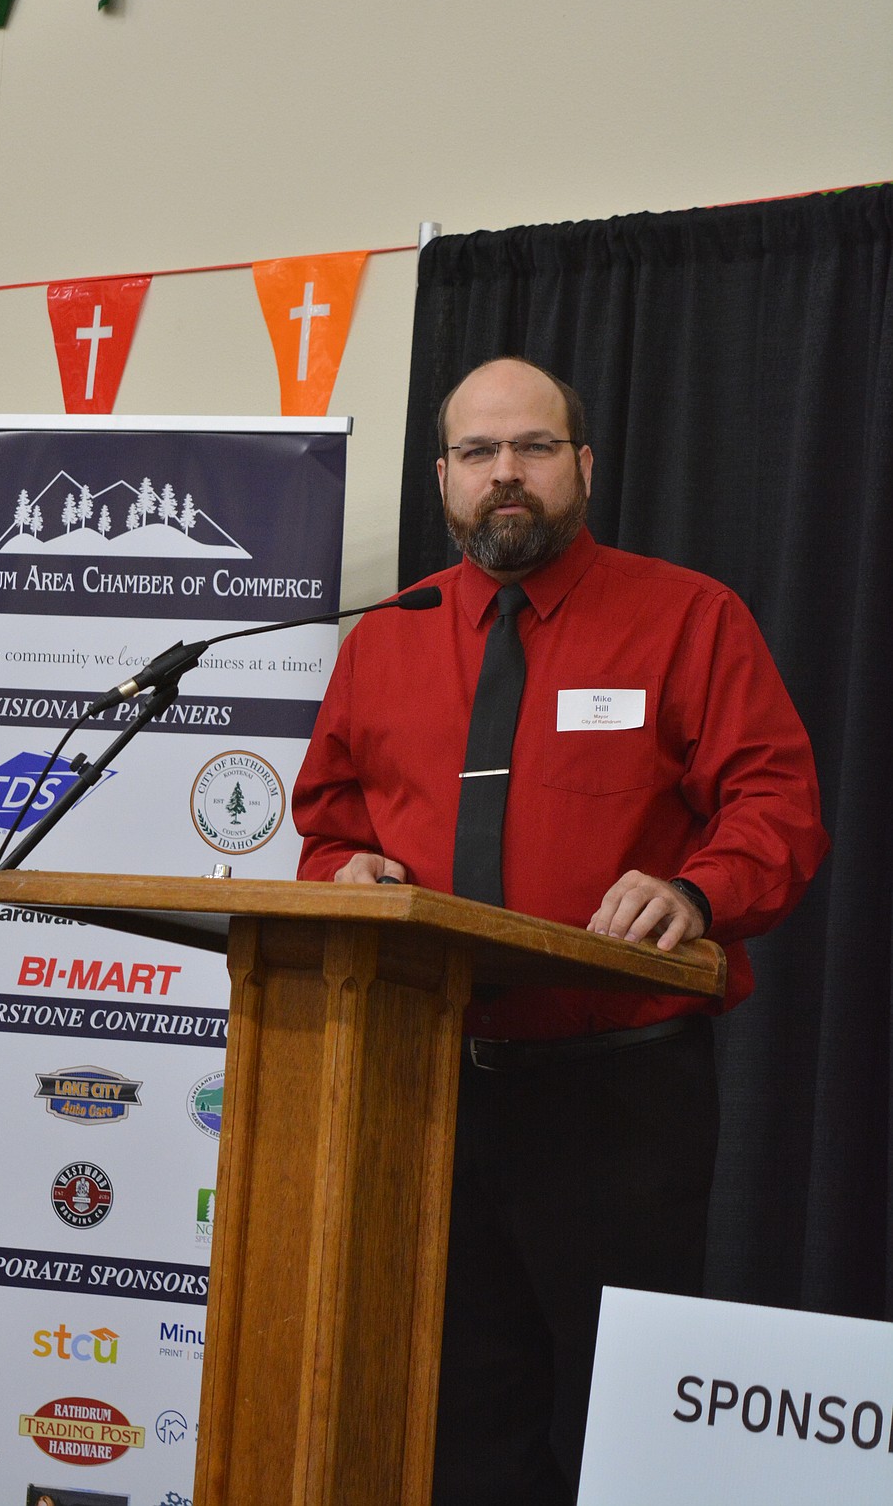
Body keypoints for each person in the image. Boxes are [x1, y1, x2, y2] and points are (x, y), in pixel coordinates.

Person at [292, 356, 828, 1505]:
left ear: (583, 467)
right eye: (479, 454)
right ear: (442, 479)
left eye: (533, 448)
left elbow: (777, 803)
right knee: (457, 1431)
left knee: (625, 1441)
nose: (506, 476)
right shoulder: (384, 637)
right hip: (424, 1092)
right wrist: (348, 867)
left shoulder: (688, 617)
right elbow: (327, 825)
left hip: (617, 1102)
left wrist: (695, 890)